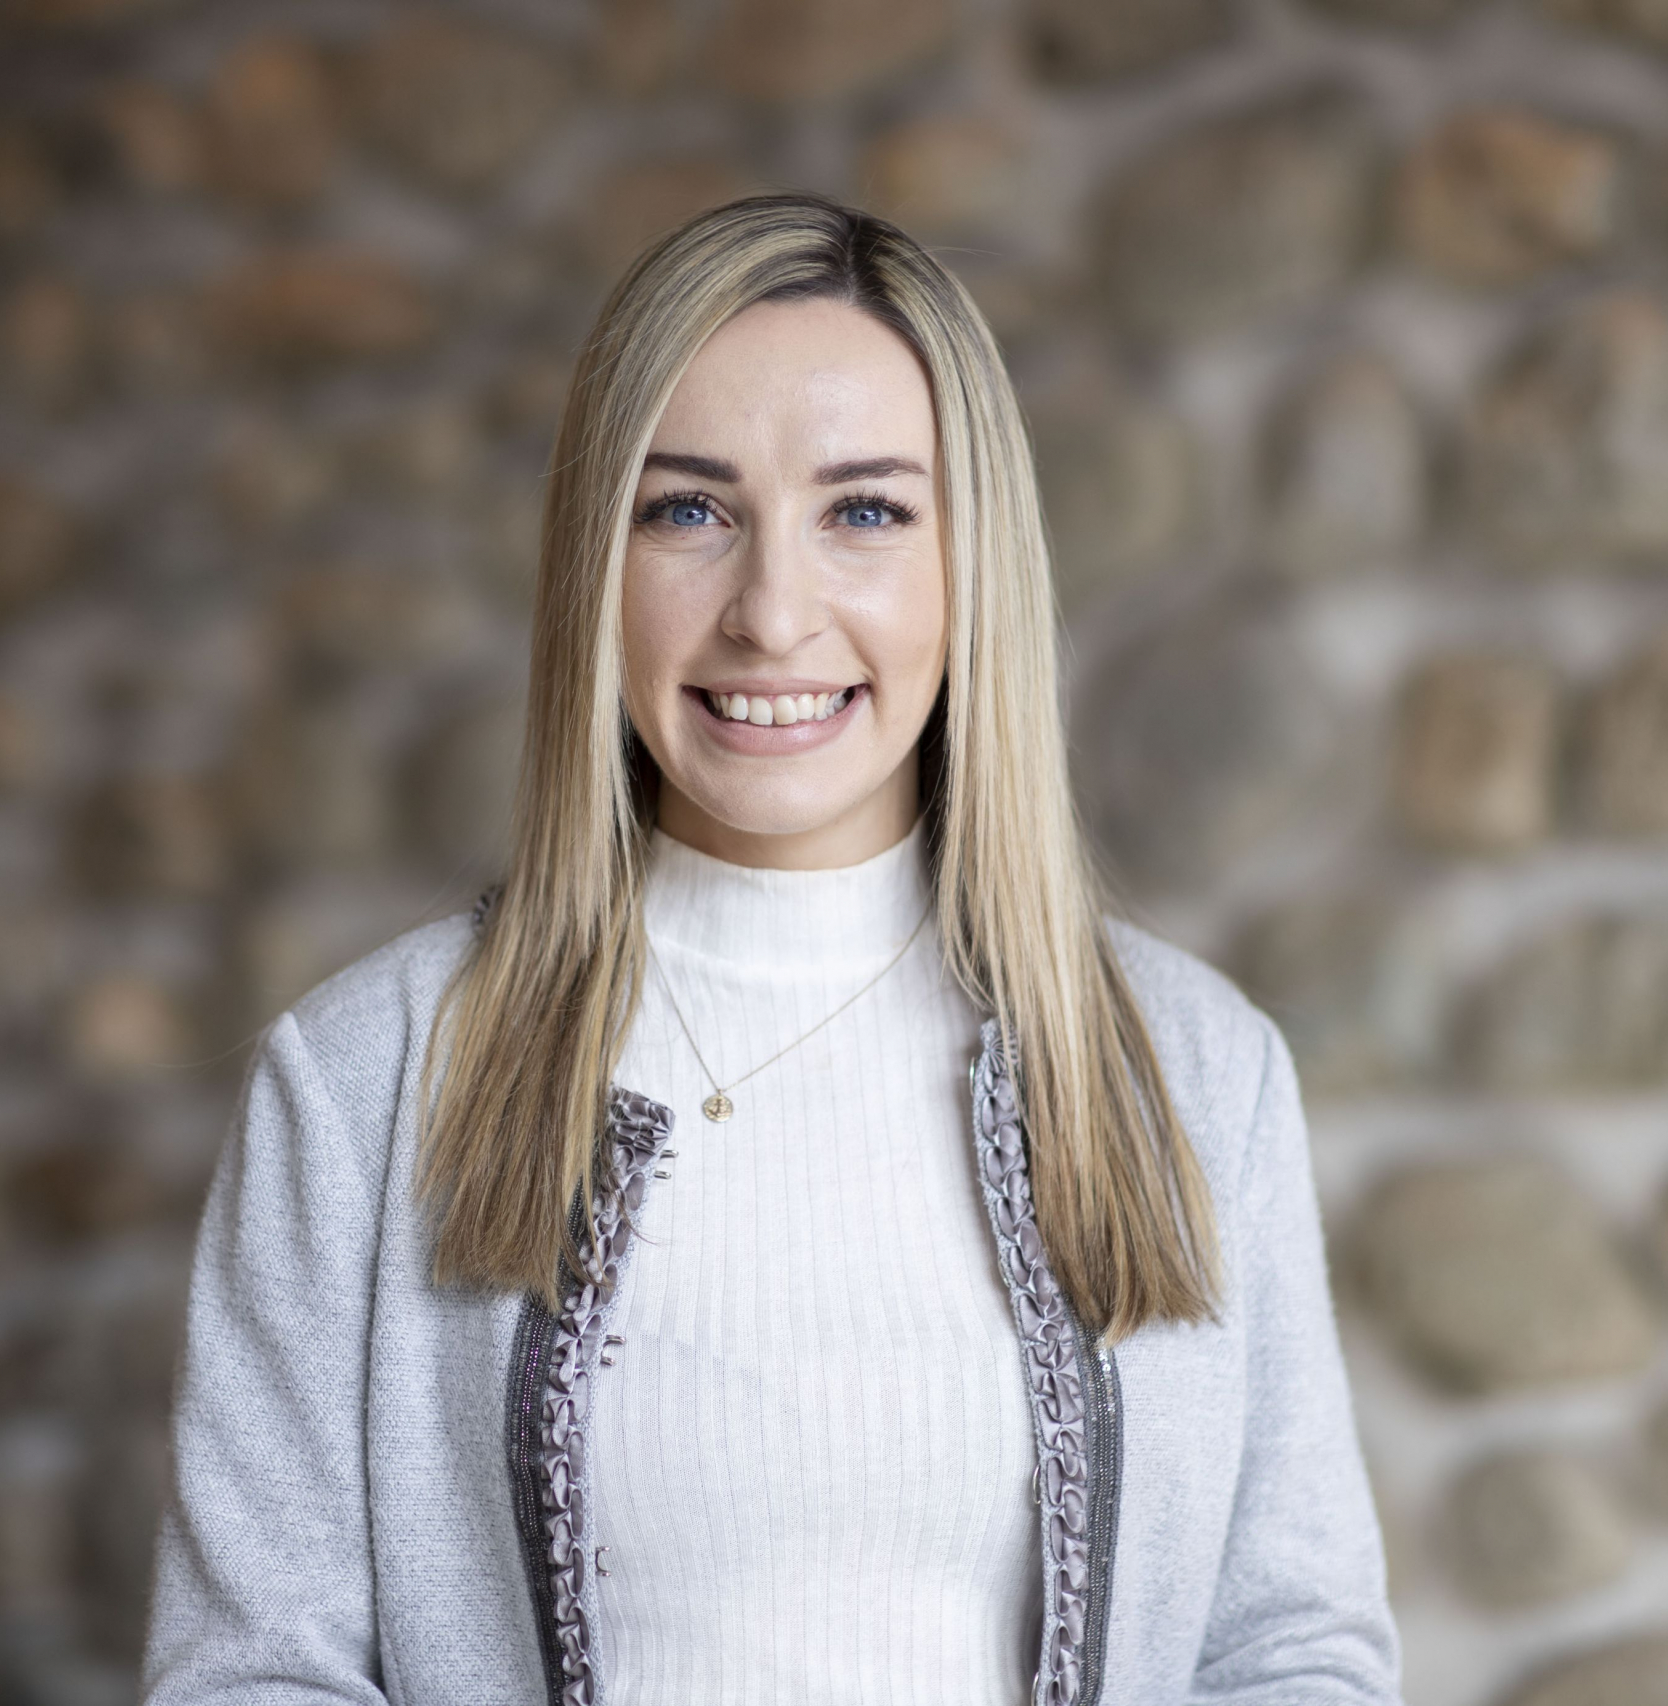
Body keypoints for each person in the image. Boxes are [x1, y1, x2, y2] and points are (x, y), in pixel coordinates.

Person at [141, 193, 1401, 1706]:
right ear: (595, 564)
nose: (772, 613)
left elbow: (1291, 1651)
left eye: (863, 512)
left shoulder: (1197, 1075)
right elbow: (251, 1674)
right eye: (689, 511)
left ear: (971, 564)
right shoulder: (362, 1081)